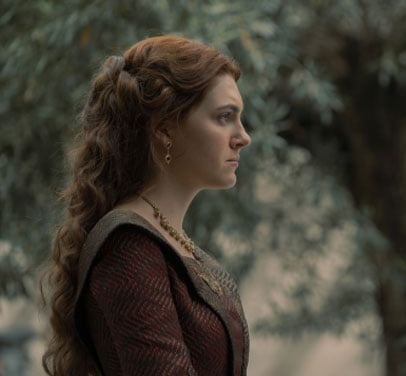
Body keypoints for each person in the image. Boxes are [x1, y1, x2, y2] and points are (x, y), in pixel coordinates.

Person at [42, 35, 251, 375]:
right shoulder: (129, 246)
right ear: (165, 130)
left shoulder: (172, 243)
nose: (243, 137)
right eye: (224, 117)